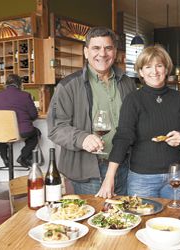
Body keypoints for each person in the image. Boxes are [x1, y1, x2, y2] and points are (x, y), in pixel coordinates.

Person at [96, 45, 180, 199]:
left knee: (175, 221)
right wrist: (109, 177)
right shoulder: (133, 100)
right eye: (148, 66)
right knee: (143, 221)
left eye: (159, 65)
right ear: (141, 72)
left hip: (176, 176)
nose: (154, 71)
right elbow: (123, 137)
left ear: (166, 69)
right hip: (142, 179)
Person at [47, 26, 137, 195]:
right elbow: (55, 128)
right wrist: (82, 138)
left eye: (108, 48)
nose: (102, 54)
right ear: (86, 52)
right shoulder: (68, 86)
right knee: (92, 218)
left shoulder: (127, 83)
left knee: (124, 217)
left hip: (125, 165)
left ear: (115, 52)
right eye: (96, 48)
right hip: (89, 170)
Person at [0, 74, 39, 167]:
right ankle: (23, 157)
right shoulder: (25, 95)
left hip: (2, 133)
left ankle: (5, 158)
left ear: (6, 84)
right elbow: (33, 115)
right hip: (22, 132)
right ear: (20, 84)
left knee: (0, 135)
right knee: (35, 134)